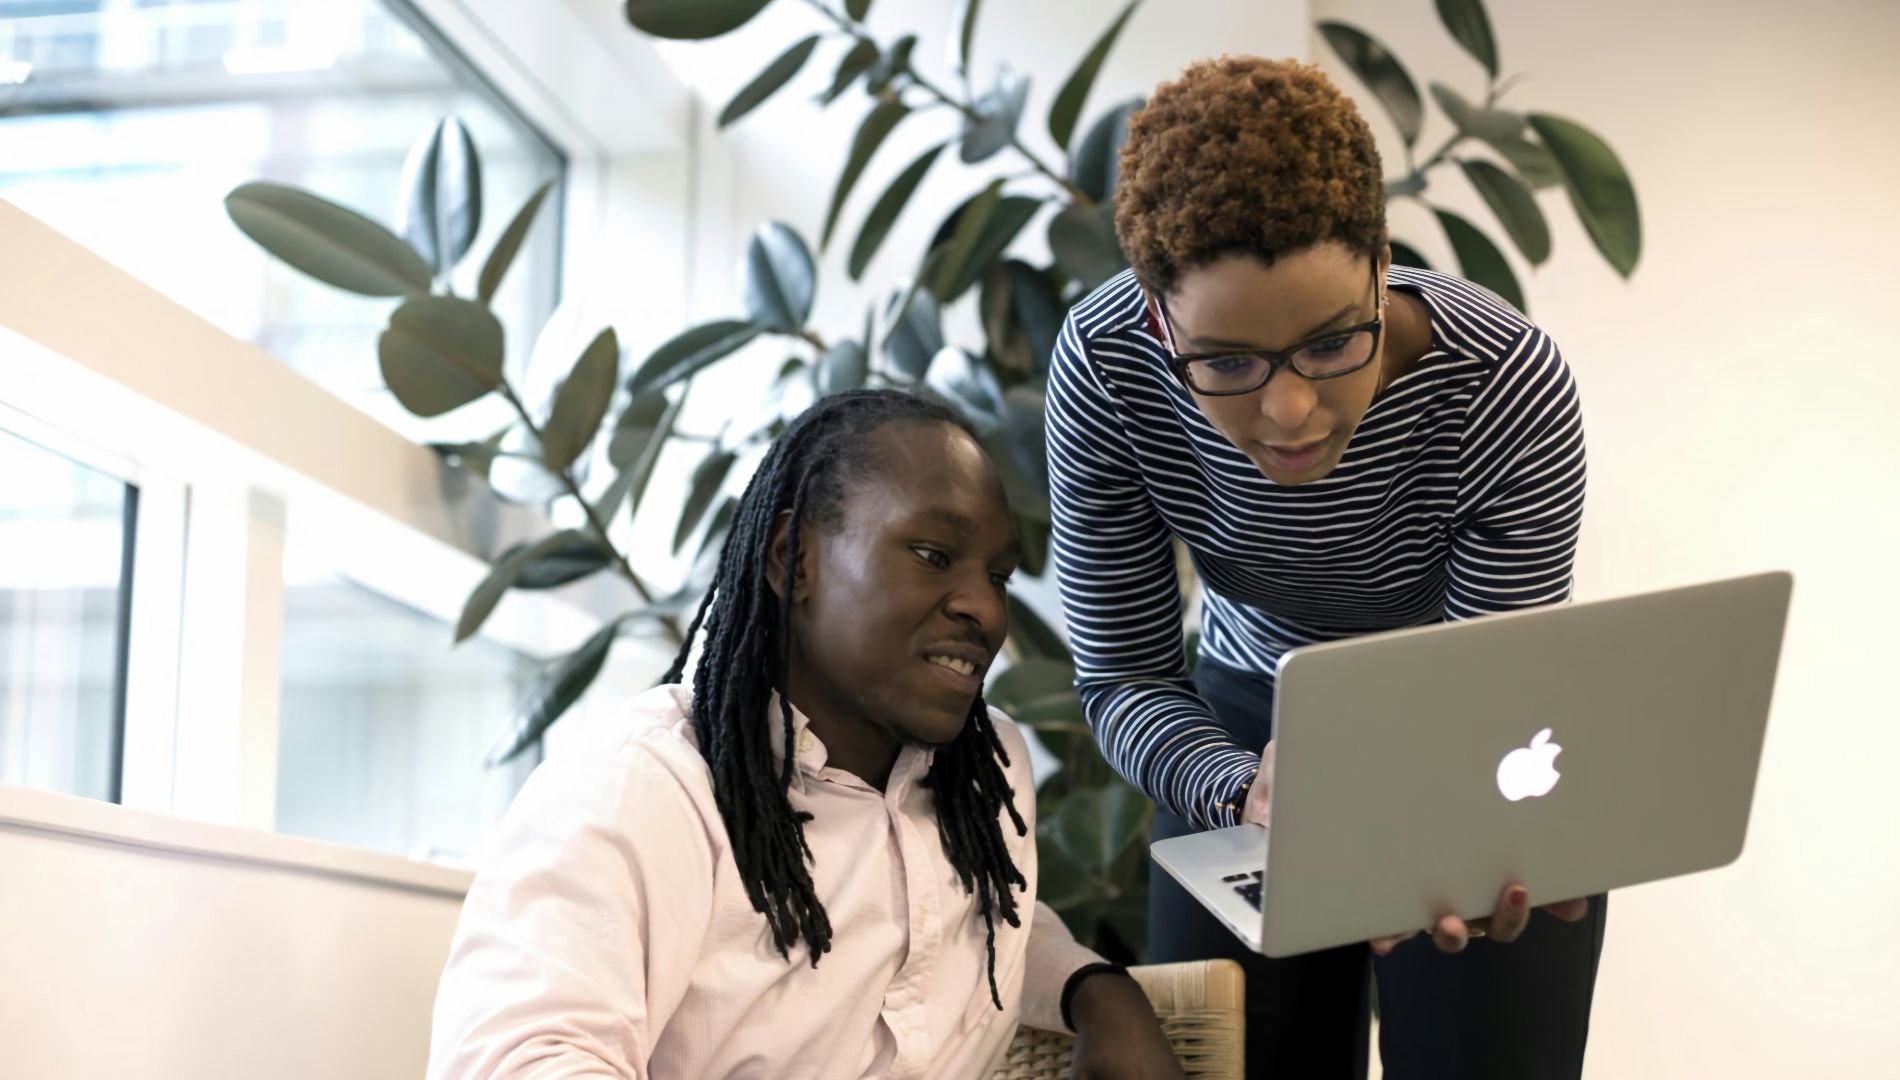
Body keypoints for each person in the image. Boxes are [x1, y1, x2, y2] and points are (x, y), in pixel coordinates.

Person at [1044, 56, 1604, 1078]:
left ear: (1381, 262)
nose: (1290, 413)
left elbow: (1485, 682)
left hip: (1467, 726)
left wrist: (1441, 827)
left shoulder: (1505, 388)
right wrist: (1236, 787)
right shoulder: (1108, 368)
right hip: (1243, 727)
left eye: (1333, 342)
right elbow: (1122, 674)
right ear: (1160, 322)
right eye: (1227, 364)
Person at [426, 389, 1184, 1079]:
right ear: (795, 559)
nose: (985, 611)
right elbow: (522, 1061)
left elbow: (989, 912)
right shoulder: (644, 790)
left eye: (999, 575)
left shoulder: (984, 780)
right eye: (933, 556)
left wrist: (1094, 989)